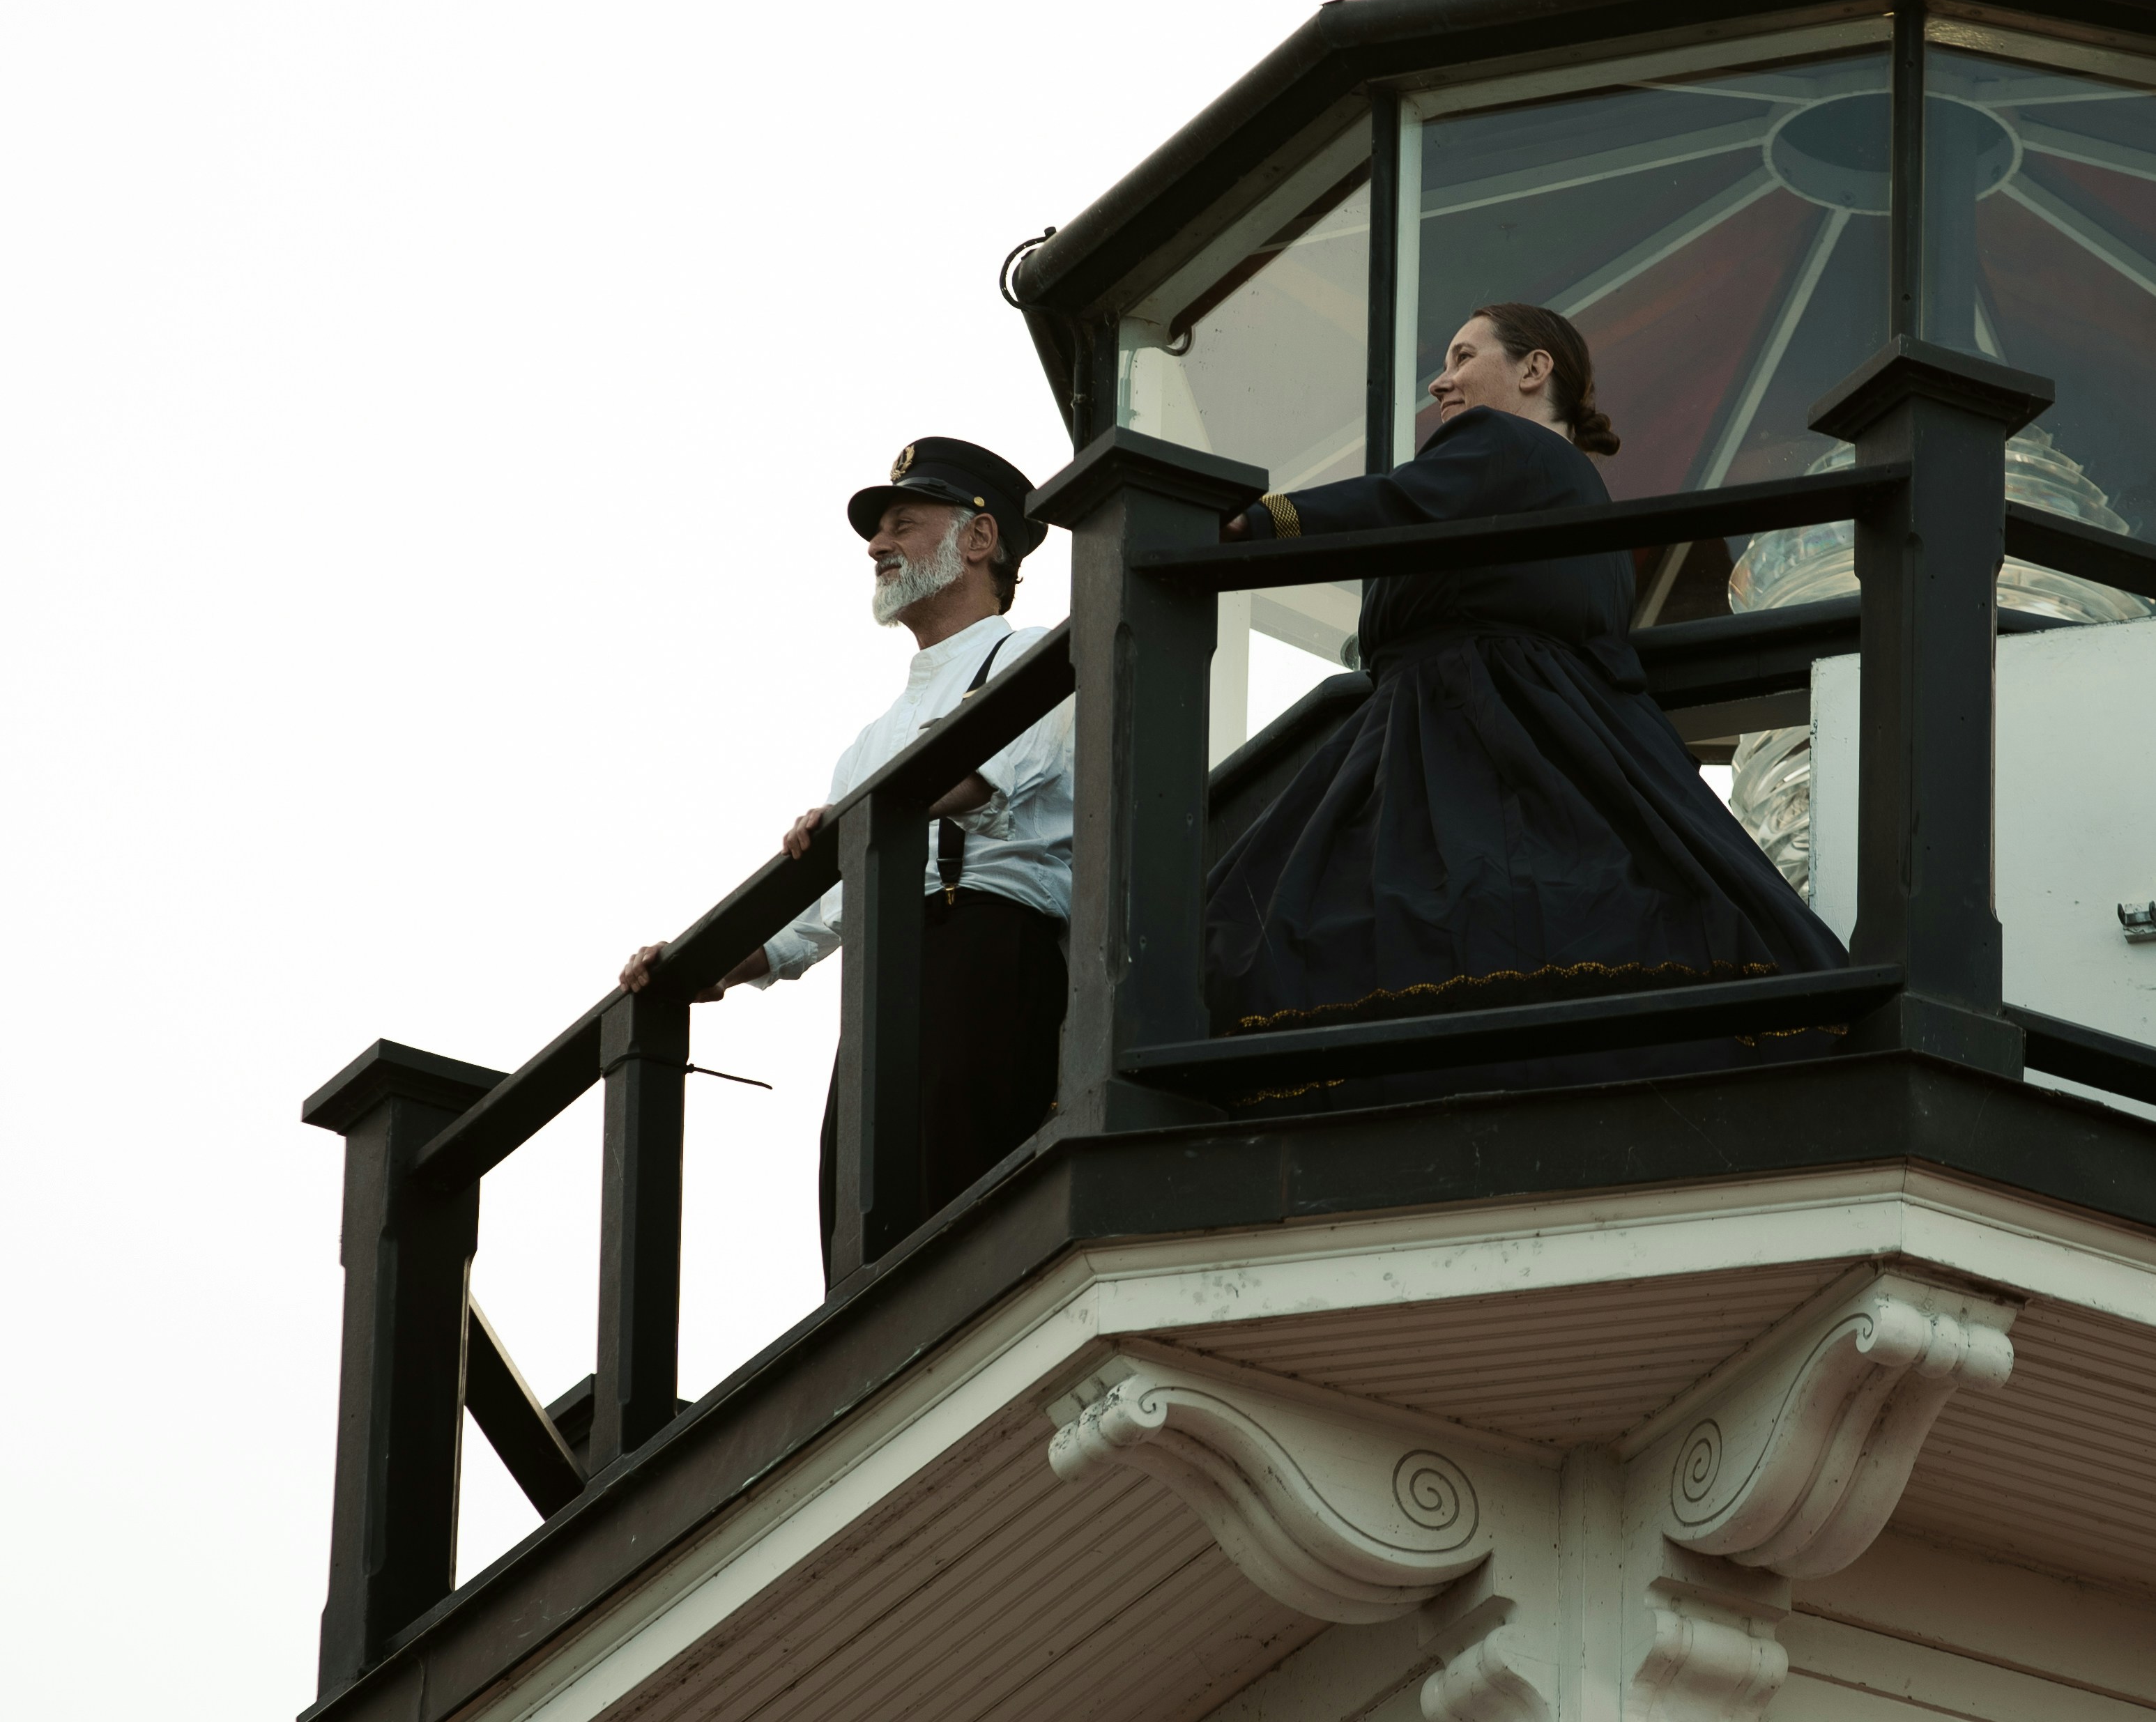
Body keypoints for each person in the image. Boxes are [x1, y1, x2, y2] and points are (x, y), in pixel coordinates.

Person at [1206, 302, 1844, 1079]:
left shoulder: (1497, 442)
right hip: (1566, 729)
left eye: (1463, 355)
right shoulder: (1582, 494)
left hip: (1456, 714)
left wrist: (1264, 523)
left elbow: (1399, 501)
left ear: (1535, 368)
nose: (1441, 383)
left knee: (1289, 922)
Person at [622, 437, 1071, 1262]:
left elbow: (985, 779)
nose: (877, 545)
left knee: (965, 1206)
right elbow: (814, 921)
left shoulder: (1033, 655)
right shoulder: (870, 741)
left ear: (979, 539)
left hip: (987, 949)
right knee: (857, 1215)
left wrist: (857, 814)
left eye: (905, 522)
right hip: (886, 978)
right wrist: (697, 966)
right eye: (879, 530)